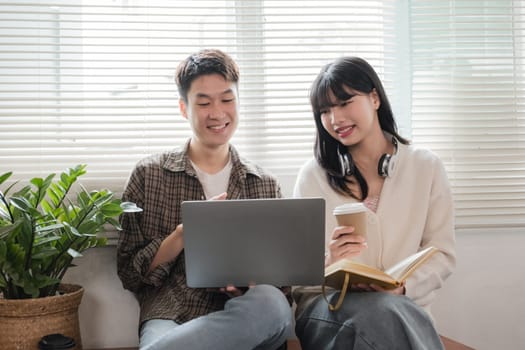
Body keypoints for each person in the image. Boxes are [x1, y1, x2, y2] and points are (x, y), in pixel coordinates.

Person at [117, 49, 292, 350]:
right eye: (204, 102)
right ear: (184, 108)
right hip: (172, 315)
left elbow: (282, 289)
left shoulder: (264, 184)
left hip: (247, 317)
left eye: (227, 99)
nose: (217, 112)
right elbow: (130, 273)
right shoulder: (149, 174)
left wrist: (245, 288)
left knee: (272, 302)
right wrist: (182, 236)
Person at [292, 56, 456, 349]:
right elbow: (299, 280)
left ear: (375, 98)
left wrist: (402, 289)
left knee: (385, 311)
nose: (335, 119)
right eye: (325, 110)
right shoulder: (311, 177)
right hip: (328, 310)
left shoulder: (425, 167)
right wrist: (330, 261)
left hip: (404, 308)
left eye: (344, 103)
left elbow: (441, 253)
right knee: (379, 312)